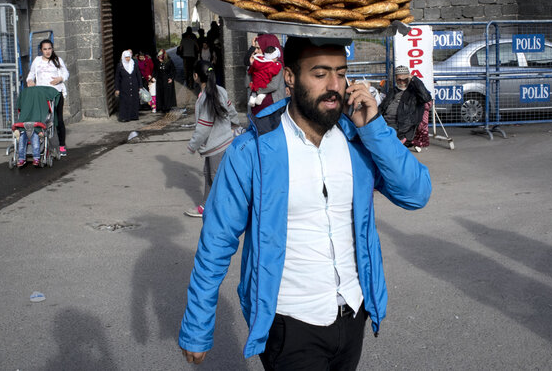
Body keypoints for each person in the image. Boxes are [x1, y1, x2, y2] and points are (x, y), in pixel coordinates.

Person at [178, 37, 432, 368]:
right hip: (290, 323)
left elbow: (416, 194)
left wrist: (374, 127)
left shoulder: (358, 140)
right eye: (320, 74)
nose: (334, 86)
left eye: (341, 74)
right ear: (290, 78)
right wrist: (197, 326)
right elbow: (216, 241)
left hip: (353, 315)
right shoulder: (252, 152)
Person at [184, 60, 240, 218]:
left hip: (217, 146)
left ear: (196, 76)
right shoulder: (219, 90)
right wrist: (235, 123)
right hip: (219, 144)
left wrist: (192, 146)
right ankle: (205, 205)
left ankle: (227, 210)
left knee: (217, 178)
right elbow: (231, 109)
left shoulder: (205, 98)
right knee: (209, 174)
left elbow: (204, 126)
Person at [26, 39, 70, 157]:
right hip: (41, 94)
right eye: (45, 49)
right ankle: (40, 143)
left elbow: (66, 73)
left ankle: (62, 145)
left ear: (52, 49)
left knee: (58, 119)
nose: (47, 51)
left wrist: (60, 79)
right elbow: (31, 74)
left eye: (49, 48)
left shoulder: (57, 60)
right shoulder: (37, 61)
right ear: (41, 50)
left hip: (56, 92)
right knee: (42, 119)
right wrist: (30, 80)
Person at [377, 65, 432, 151]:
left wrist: (414, 79)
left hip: (402, 125)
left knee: (385, 146)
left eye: (404, 79)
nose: (402, 82)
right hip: (386, 122)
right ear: (395, 78)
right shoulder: (393, 91)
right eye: (399, 80)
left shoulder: (414, 92)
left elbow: (426, 98)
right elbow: (382, 107)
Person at [244, 34, 285, 115]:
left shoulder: (277, 65)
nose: (256, 51)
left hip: (272, 106)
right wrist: (251, 65)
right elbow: (247, 84)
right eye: (255, 48)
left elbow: (273, 86)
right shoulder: (257, 63)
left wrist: (255, 89)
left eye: (258, 48)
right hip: (256, 107)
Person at [114, 50, 143, 122]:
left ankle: (134, 116)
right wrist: (117, 88)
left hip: (134, 85)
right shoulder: (120, 65)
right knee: (125, 101)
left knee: (134, 100)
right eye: (126, 57)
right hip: (124, 86)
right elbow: (117, 78)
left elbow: (138, 75)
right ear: (123, 57)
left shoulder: (134, 64)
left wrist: (140, 85)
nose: (128, 59)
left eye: (129, 57)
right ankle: (124, 117)